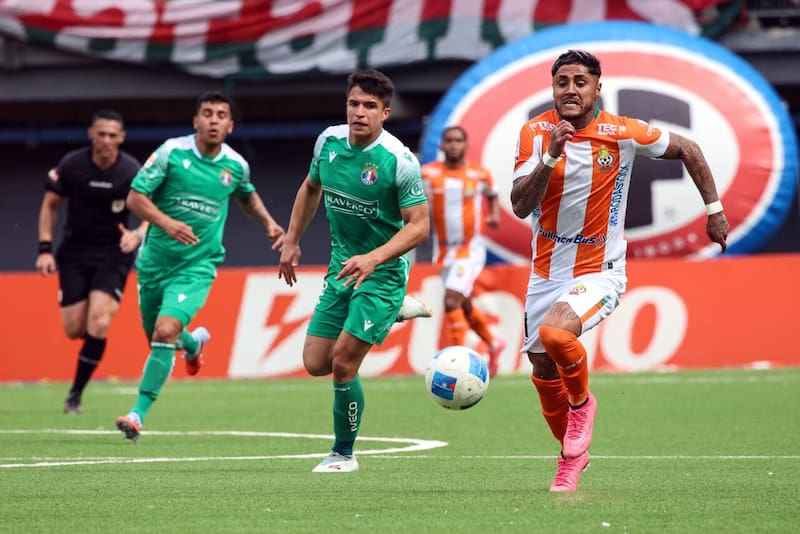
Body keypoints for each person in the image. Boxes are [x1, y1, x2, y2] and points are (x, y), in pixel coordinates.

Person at [510, 50, 729, 492]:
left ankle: (582, 404)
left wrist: (715, 211)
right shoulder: (535, 134)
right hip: (545, 273)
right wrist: (551, 156)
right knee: (541, 369)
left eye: (580, 81)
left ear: (596, 88)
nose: (570, 89)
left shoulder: (622, 132)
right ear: (553, 89)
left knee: (556, 336)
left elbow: (690, 148)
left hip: (600, 270)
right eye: (562, 82)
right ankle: (571, 460)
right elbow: (519, 205)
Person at [278, 69, 429, 473]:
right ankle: (398, 310)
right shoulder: (328, 142)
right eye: (353, 104)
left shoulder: (399, 160)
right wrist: (292, 240)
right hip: (342, 270)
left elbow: (419, 226)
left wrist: (375, 257)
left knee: (344, 363)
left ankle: (343, 453)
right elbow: (311, 187)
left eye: (368, 107)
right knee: (316, 362)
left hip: (382, 272)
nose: (359, 112)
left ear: (385, 113)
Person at [114, 91, 286, 441]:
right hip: (154, 265)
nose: (213, 120)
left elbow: (247, 195)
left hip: (197, 267)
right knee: (160, 337)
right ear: (196, 120)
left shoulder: (235, 165)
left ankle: (137, 414)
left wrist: (269, 223)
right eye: (207, 113)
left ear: (230, 125)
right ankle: (193, 345)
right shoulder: (171, 153)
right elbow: (135, 197)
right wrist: (167, 222)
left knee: (165, 332)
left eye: (221, 115)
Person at [35, 109, 146, 415]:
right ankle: (92, 341)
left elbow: (153, 208)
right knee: (73, 329)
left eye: (113, 135)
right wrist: (44, 248)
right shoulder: (73, 165)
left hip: (113, 254)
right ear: (91, 134)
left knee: (99, 321)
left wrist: (137, 234)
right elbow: (50, 206)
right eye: (102, 134)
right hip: (74, 253)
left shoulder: (130, 170)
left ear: (121, 138)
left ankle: (74, 395)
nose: (106, 140)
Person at [421, 126, 505, 377]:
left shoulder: (479, 174)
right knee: (463, 302)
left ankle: (455, 360)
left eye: (458, 140)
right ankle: (493, 342)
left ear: (466, 146)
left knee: (450, 300)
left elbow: (493, 194)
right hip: (444, 249)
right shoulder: (428, 173)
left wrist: (493, 216)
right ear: (442, 146)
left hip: (470, 249)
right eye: (449, 140)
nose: (454, 145)